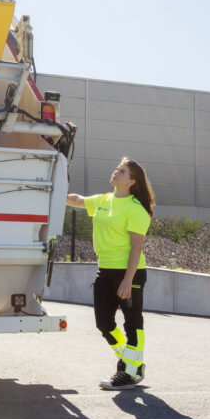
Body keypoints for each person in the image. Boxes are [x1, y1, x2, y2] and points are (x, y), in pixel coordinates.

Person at [66, 157, 154, 390]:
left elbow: (136, 248)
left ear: (132, 181)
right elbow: (78, 200)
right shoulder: (104, 200)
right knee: (104, 323)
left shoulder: (137, 210)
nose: (116, 173)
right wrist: (54, 194)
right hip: (105, 269)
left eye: (122, 172)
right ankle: (131, 363)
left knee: (132, 322)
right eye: (117, 169)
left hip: (129, 273)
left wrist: (127, 279)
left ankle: (129, 373)